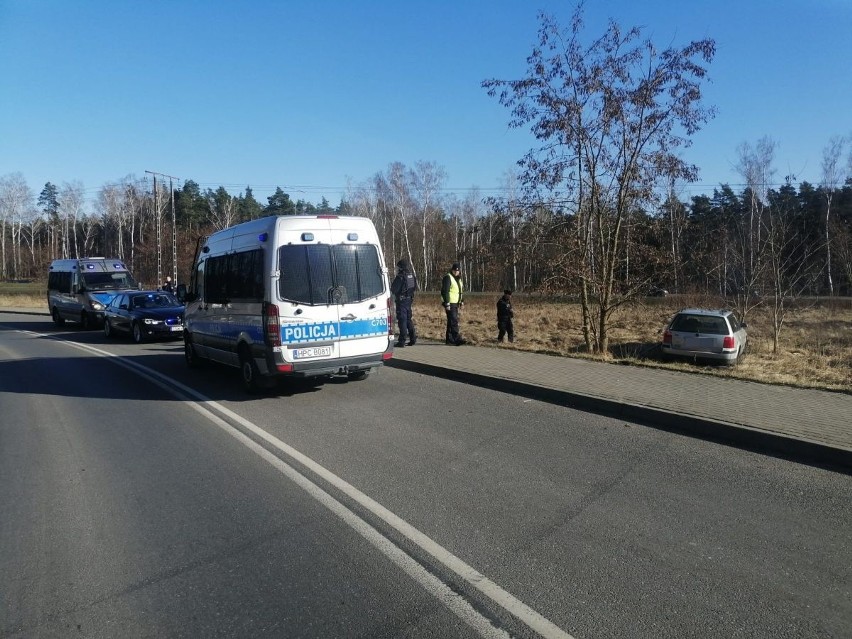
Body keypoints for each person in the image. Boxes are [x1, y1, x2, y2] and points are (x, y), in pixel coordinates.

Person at [390, 258, 417, 347]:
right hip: (409, 300)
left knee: (402, 321)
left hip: (401, 301)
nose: (396, 269)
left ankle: (402, 341)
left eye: (397, 267)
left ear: (401, 267)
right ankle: (413, 338)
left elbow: (393, 289)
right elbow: (414, 288)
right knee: (408, 319)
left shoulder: (400, 277)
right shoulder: (411, 276)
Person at [440, 262, 466, 345]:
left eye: (457, 271)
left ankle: (449, 339)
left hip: (456, 303)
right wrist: (447, 303)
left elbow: (460, 291)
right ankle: (456, 339)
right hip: (450, 303)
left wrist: (461, 301)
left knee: (451, 321)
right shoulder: (448, 278)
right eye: (455, 270)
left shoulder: (458, 279)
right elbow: (445, 291)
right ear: (452, 270)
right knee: (454, 321)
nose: (456, 272)